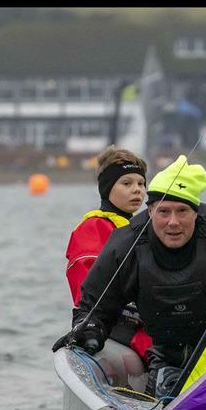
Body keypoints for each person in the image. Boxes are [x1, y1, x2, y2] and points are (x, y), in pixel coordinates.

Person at [55, 155, 206, 396]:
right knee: (165, 391)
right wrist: (87, 330)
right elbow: (95, 306)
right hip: (167, 360)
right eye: (164, 212)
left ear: (196, 212)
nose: (173, 222)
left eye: (182, 211)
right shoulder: (126, 244)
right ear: (150, 211)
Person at [64, 146, 152, 359]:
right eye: (126, 183)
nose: (137, 190)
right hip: (115, 327)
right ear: (107, 188)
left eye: (141, 183)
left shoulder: (144, 228)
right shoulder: (94, 228)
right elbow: (86, 289)